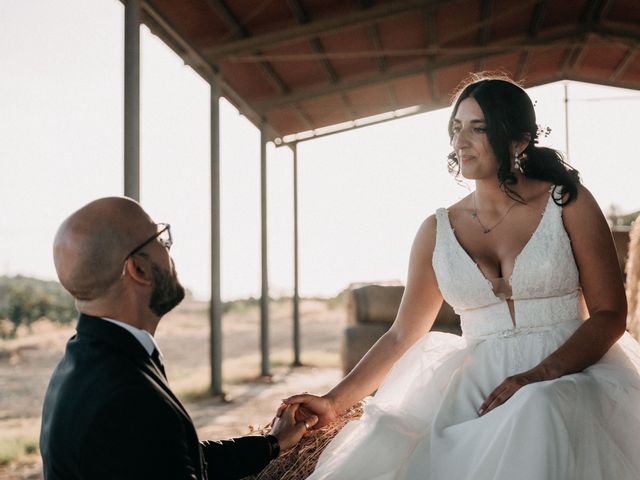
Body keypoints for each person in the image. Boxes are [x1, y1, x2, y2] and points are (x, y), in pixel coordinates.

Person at [282, 74, 640, 479]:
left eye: (478, 129)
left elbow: (610, 313)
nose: (460, 142)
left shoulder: (567, 201)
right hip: (477, 387)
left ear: (519, 141)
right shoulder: (437, 230)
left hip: (572, 370)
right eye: (456, 129)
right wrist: (333, 402)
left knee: (539, 409)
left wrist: (541, 374)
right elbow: (403, 334)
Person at [40, 197, 318, 480]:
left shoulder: (85, 360)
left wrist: (273, 443)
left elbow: (168, 459)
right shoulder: (129, 396)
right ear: (139, 269)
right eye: (161, 239)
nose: (169, 250)